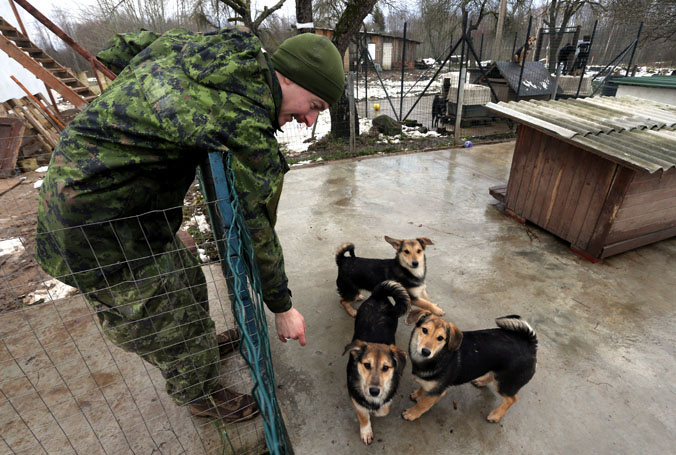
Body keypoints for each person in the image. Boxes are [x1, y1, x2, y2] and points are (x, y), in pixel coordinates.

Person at [34, 28, 344, 421]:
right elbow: (257, 223)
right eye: (314, 104)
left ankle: (199, 351)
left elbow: (127, 44)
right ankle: (199, 394)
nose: (310, 119)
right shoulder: (241, 119)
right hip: (94, 227)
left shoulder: (221, 50)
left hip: (125, 204)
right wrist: (281, 305)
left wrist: (139, 105)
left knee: (185, 276)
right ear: (286, 77)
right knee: (158, 317)